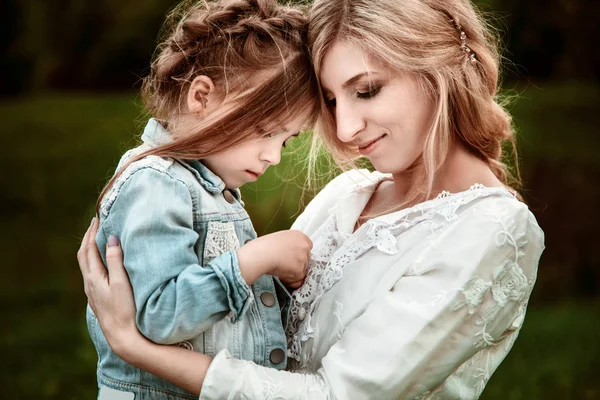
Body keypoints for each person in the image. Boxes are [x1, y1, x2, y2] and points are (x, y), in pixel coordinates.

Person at [78, 0, 546, 398]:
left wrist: (134, 347)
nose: (344, 129)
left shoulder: (492, 229)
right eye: (332, 101)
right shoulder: (346, 195)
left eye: (365, 90)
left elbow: (335, 394)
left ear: (437, 69)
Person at [83, 0, 320, 398]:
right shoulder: (156, 185)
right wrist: (257, 258)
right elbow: (161, 315)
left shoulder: (203, 185)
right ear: (201, 96)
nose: (273, 156)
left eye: (286, 139)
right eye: (265, 130)